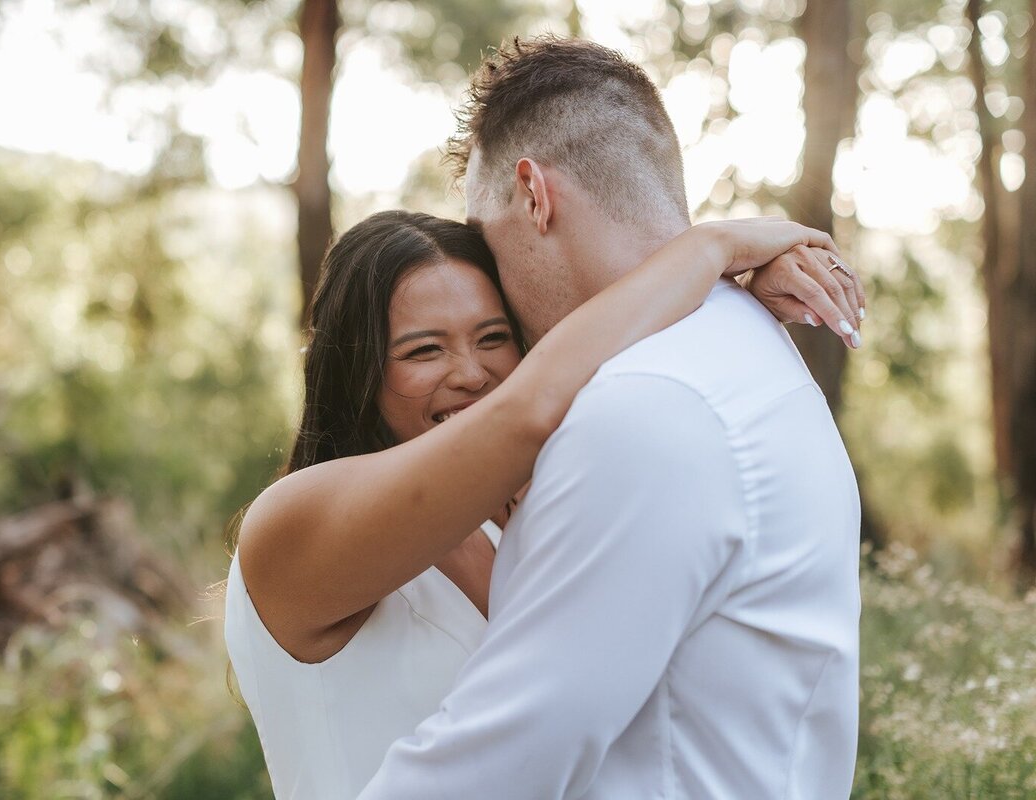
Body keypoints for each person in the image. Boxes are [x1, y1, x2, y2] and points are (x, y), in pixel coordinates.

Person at [358, 37, 863, 800]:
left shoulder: (645, 407)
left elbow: (491, 769)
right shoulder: (747, 341)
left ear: (534, 195)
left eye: (489, 244)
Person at [225, 213, 862, 795]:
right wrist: (713, 249)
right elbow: (532, 404)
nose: (472, 373)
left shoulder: (511, 521)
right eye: (424, 349)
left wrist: (736, 303)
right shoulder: (289, 525)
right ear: (357, 368)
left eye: (493, 337)